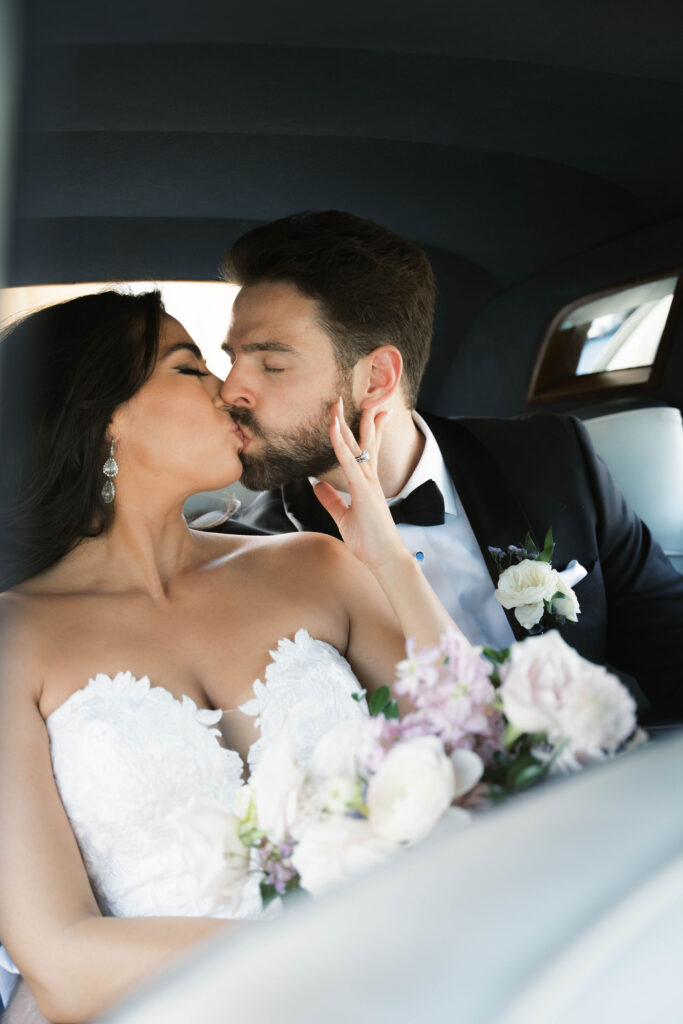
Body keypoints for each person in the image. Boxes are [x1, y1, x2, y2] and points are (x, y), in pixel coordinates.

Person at [0, 290, 462, 1023]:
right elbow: (58, 956)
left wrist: (390, 567)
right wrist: (325, 963)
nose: (230, 390)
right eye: (189, 369)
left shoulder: (317, 566)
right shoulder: (12, 641)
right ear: (103, 414)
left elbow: (484, 749)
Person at [219, 210, 683, 719]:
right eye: (231, 358)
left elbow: (671, 653)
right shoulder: (253, 551)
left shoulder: (550, 459)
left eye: (273, 365)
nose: (229, 390)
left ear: (376, 378)